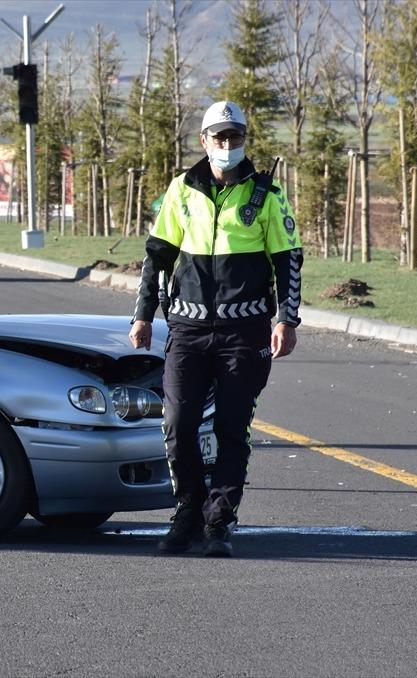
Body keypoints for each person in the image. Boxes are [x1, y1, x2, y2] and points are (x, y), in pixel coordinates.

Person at [129, 101, 303, 557]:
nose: (227, 146)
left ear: (245, 140)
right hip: (186, 329)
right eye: (219, 138)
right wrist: (142, 315)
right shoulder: (181, 190)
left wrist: (287, 318)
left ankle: (218, 523)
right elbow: (157, 256)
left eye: (235, 137)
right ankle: (187, 512)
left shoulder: (267, 194)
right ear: (204, 141)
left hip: (244, 332)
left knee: (231, 426)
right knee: (178, 423)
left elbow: (288, 260)